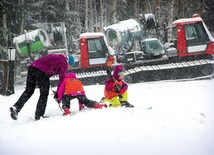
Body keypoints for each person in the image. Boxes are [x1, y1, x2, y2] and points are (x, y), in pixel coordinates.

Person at [9, 54, 75, 121]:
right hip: (42, 71)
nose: (68, 68)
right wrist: (58, 95)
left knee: (29, 91)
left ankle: (16, 108)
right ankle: (39, 115)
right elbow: (61, 81)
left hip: (32, 67)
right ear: (68, 62)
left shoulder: (57, 57)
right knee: (44, 93)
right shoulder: (64, 63)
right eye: (70, 66)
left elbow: (47, 64)